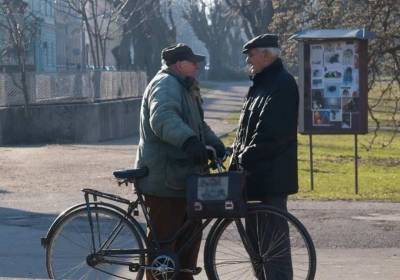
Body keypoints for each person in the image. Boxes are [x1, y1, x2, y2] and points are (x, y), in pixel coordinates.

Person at [135, 43, 225, 280]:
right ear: (178, 64)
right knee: (164, 247)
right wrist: (189, 143)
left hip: (184, 179)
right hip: (165, 181)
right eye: (192, 62)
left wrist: (215, 144)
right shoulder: (165, 85)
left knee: (188, 242)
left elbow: (199, 125)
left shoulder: (185, 87)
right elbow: (163, 118)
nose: (197, 66)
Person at [230, 34, 299, 279]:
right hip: (254, 178)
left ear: (266, 55)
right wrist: (234, 155)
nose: (248, 59)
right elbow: (245, 131)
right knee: (258, 250)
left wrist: (243, 158)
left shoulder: (282, 84)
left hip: (270, 178)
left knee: (273, 251)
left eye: (251, 54)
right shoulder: (260, 84)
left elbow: (272, 134)